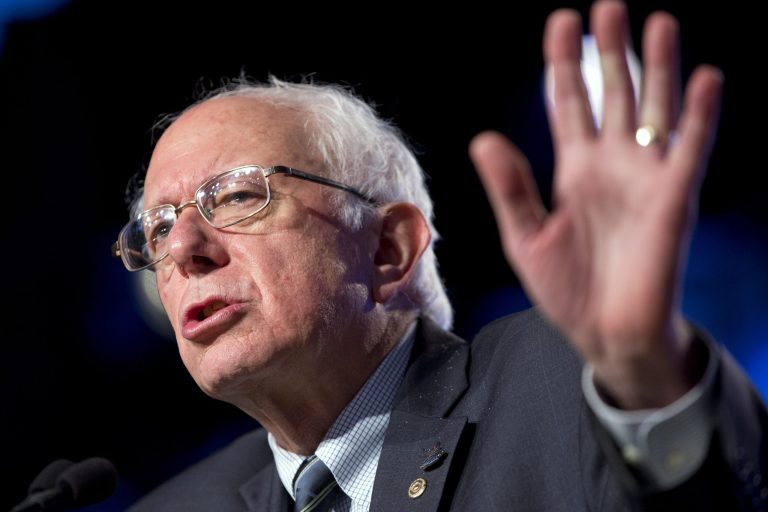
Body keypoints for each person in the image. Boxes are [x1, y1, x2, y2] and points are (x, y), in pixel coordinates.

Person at [113, 1, 766, 510]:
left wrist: (645, 373)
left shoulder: (567, 388)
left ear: (389, 248)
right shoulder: (179, 505)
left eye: (233, 198)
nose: (185, 250)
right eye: (158, 229)